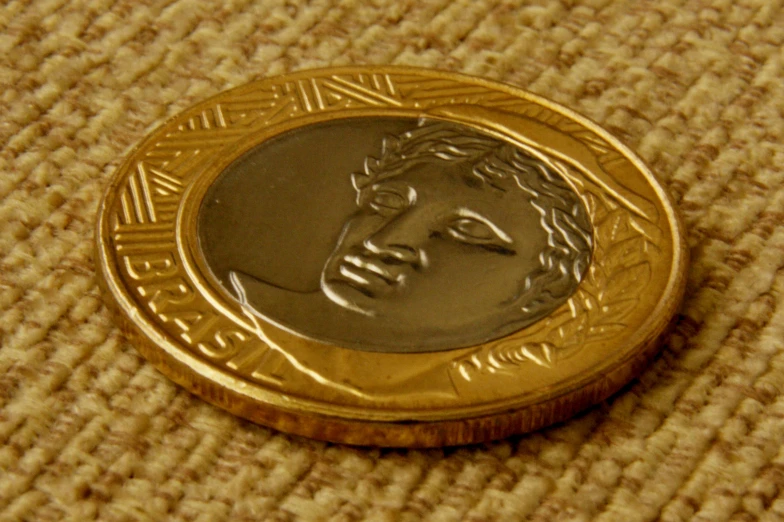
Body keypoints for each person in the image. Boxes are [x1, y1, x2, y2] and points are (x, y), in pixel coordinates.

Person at [230, 120, 592, 353]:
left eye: (468, 230)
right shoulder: (245, 303)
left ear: (549, 278)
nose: (382, 242)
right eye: (388, 200)